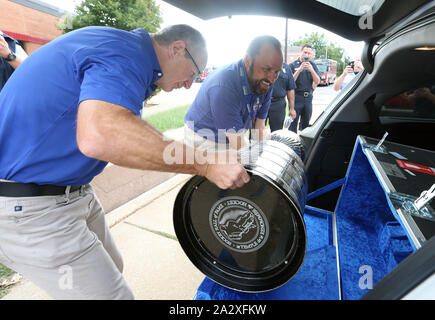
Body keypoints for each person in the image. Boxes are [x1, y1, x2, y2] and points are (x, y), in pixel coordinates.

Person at [0, 24, 250, 300]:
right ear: (177, 48)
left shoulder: (127, 51)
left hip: (71, 192)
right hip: (27, 207)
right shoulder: (125, 53)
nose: (191, 83)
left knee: (112, 267)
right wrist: (205, 164)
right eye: (192, 73)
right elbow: (101, 135)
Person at [184, 35, 283, 150]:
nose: (272, 78)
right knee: (238, 163)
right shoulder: (224, 86)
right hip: (202, 138)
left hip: (232, 135)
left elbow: (259, 127)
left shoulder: (265, 83)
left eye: (277, 72)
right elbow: (239, 145)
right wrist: (252, 160)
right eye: (266, 69)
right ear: (248, 61)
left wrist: (258, 151)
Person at [289, 44, 320, 133]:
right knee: (292, 124)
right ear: (301, 52)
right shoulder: (292, 65)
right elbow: (290, 81)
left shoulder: (313, 65)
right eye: (305, 52)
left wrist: (311, 70)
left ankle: (303, 144)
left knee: (306, 125)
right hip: (296, 97)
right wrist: (299, 70)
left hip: (308, 98)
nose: (307, 55)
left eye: (309, 53)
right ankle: (293, 144)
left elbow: (317, 81)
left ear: (312, 55)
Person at [267, 62, 296, 132]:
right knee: (255, 132)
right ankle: (254, 143)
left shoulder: (286, 67)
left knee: (277, 133)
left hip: (278, 105)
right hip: (260, 103)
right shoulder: (259, 64)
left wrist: (292, 108)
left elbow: (290, 89)